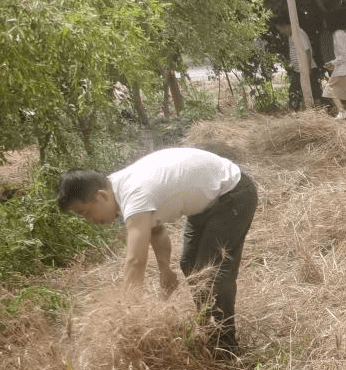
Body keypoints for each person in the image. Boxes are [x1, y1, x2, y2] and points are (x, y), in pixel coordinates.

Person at [57, 147, 258, 357]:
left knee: (210, 274)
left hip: (233, 193)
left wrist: (127, 317)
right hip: (206, 203)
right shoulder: (120, 188)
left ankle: (226, 350)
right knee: (190, 264)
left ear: (101, 196)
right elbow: (156, 230)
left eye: (85, 212)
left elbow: (135, 261)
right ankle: (211, 330)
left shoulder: (133, 194)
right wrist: (165, 270)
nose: (89, 219)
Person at [278, 20, 322, 110]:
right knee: (294, 90)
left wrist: (308, 69)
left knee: (314, 91)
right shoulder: (291, 36)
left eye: (281, 29)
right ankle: (296, 111)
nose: (281, 32)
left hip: (306, 69)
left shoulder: (299, 34)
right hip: (298, 70)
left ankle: (323, 109)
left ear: (287, 25)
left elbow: (308, 51)